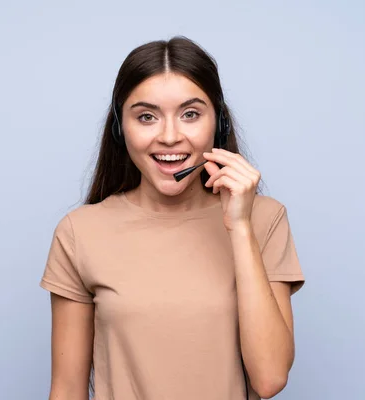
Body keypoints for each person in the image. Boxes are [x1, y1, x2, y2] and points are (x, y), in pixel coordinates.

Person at [39, 36, 305, 400]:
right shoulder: (79, 232)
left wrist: (240, 227)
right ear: (120, 128)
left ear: (219, 123)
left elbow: (270, 378)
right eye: (146, 117)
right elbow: (67, 390)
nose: (169, 136)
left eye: (190, 114)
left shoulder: (265, 220)